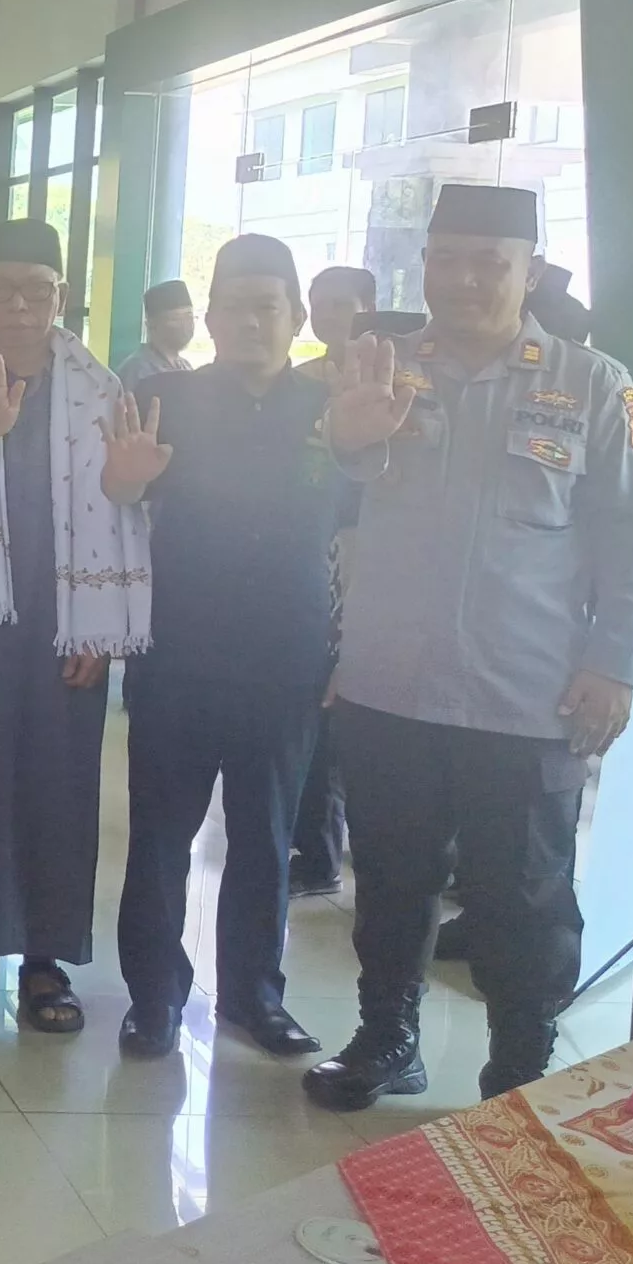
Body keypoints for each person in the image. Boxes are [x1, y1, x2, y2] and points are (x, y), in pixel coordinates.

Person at [305, 184, 633, 1109]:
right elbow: (323, 500)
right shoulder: (377, 366)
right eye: (446, 259)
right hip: (391, 682)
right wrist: (346, 440)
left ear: (529, 272)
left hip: (525, 691)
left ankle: (519, 1069)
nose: (464, 279)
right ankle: (387, 1038)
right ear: (424, 264)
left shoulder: (592, 382)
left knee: (524, 894)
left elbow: (629, 535)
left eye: (488, 263)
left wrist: (615, 663)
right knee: (391, 878)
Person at [0, 218, 150, 1032]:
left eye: (36, 290)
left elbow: (126, 510)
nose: (19, 305)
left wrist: (99, 630)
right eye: (3, 289)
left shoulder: (102, 388)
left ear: (61, 296)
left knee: (57, 783)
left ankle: (48, 956)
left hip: (66, 618)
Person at [105, 235, 343, 1061]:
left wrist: (347, 644)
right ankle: (154, 999)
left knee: (266, 838)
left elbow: (361, 529)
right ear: (209, 318)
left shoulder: (330, 409)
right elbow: (120, 496)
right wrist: (127, 476)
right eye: (233, 307)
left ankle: (253, 996)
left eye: (266, 307)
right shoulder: (165, 397)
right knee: (160, 838)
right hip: (178, 651)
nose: (249, 322)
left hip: (286, 657)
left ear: (296, 316)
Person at [287, 264, 377, 898]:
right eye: (319, 305)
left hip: (375, 564)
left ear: (368, 308)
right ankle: (317, 852)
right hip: (313, 565)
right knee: (315, 715)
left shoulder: (394, 383)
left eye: (342, 304)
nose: (329, 316)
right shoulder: (298, 385)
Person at [116, 280, 196, 386]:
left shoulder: (186, 367)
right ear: (151, 324)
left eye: (189, 316)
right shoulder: (136, 371)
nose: (185, 324)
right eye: (175, 318)